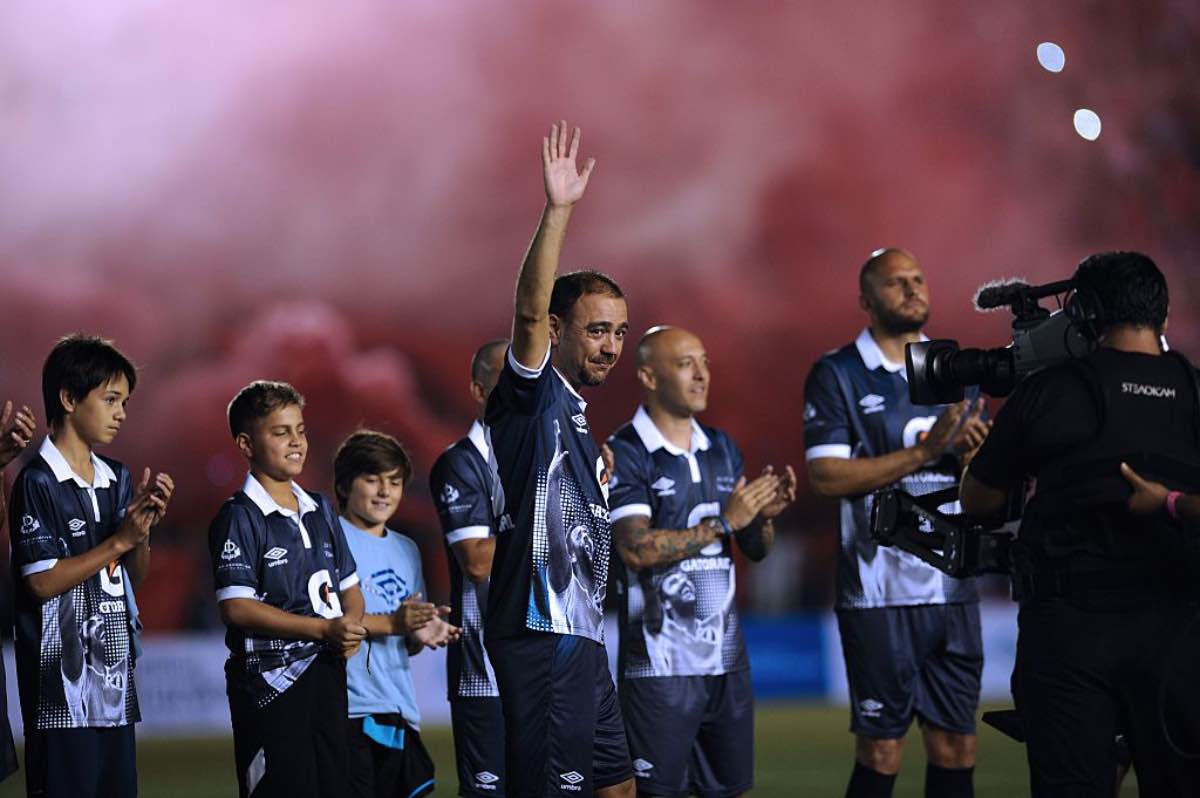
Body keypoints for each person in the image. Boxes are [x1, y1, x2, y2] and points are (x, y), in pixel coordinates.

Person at [960, 251, 1200, 796]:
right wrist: (1172, 503)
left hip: (1071, 635)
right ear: (1163, 315)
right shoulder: (1195, 391)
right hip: (1182, 632)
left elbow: (978, 499)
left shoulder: (1048, 391)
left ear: (1085, 314)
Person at [803, 248, 990, 798]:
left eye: (918, 279)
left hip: (953, 588)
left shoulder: (957, 368)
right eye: (895, 283)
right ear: (866, 300)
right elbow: (827, 477)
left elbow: (981, 486)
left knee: (958, 746)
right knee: (883, 750)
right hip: (878, 594)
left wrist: (979, 459)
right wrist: (927, 450)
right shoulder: (837, 373)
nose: (911, 289)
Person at [484, 120, 635, 798]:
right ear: (556, 331)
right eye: (598, 329)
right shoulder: (532, 396)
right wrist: (558, 211)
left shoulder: (573, 416)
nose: (612, 345)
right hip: (540, 635)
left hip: (582, 637)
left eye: (620, 332)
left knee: (616, 786)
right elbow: (525, 311)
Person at [607, 325, 797, 797]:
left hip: (726, 663)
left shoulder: (722, 447)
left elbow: (755, 548)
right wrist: (725, 522)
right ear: (649, 377)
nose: (701, 375)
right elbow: (633, 548)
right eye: (685, 363)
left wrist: (759, 519)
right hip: (658, 669)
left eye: (705, 362)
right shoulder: (626, 452)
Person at [8, 335, 173, 798]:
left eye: (124, 402)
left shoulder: (117, 476)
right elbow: (41, 583)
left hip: (113, 682)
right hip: (57, 688)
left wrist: (141, 531)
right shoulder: (36, 481)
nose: (121, 412)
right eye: (110, 399)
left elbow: (129, 579)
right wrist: (118, 540)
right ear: (68, 398)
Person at [208, 380, 365, 798]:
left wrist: (350, 626)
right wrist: (321, 630)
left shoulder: (320, 509)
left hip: (326, 675)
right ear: (246, 443)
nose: (296, 441)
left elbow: (350, 587)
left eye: (300, 430)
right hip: (269, 683)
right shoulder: (239, 516)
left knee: (332, 785)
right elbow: (237, 608)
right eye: (281, 432)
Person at [333, 429, 461, 798]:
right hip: (350, 710)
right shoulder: (328, 539)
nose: (384, 491)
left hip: (399, 706)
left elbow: (405, 641)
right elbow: (326, 625)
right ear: (343, 486)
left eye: (394, 481)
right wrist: (394, 624)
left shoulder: (408, 549)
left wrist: (418, 632)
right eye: (371, 480)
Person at [430, 338, 510, 798]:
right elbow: (478, 562)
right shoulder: (461, 463)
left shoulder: (548, 459)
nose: (522, 388)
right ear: (478, 390)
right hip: (486, 674)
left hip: (550, 671)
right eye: (507, 379)